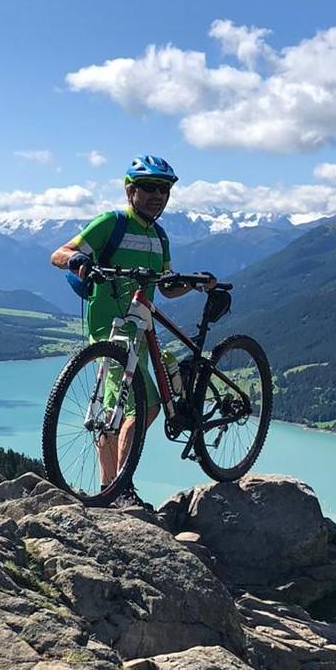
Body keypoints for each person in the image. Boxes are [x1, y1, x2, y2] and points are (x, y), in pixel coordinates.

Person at [50, 155, 216, 504]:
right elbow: (59, 254)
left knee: (126, 408)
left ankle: (110, 488)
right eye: (149, 187)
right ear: (130, 191)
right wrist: (77, 260)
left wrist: (194, 282)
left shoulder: (160, 236)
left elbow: (166, 287)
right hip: (108, 333)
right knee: (134, 408)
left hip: (139, 331)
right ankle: (118, 489)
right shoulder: (112, 223)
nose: (158, 196)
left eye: (164, 190)